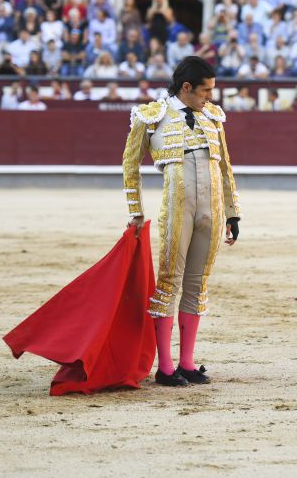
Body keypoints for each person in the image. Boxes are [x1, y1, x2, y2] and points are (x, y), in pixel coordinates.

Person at [122, 56, 240, 387]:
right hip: (177, 211)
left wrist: (233, 212)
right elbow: (130, 165)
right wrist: (136, 211)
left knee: (197, 283)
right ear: (186, 87)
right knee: (169, 282)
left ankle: (187, 363)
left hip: (211, 211)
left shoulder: (212, 117)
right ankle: (165, 367)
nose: (210, 97)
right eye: (205, 91)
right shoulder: (152, 116)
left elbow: (225, 166)